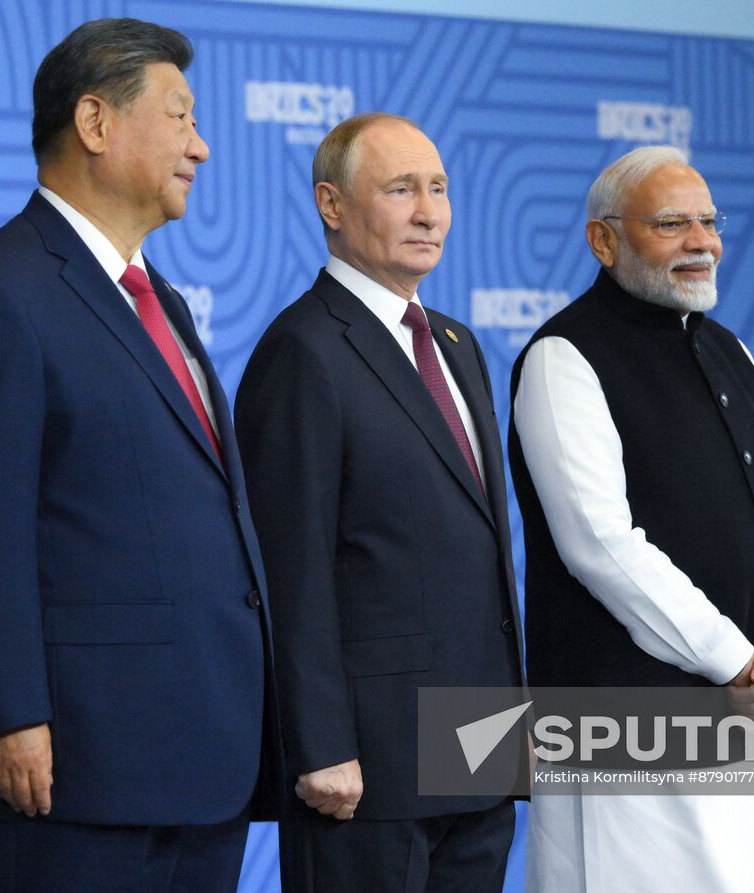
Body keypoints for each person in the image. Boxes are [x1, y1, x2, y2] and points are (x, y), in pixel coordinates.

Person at [0, 18, 278, 893]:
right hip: (81, 768)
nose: (200, 146)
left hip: (202, 760)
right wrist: (12, 712)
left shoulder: (159, 297)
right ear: (95, 123)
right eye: (180, 117)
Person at [509, 145, 754, 892]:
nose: (701, 241)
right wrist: (738, 662)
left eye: (709, 221)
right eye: (671, 223)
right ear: (604, 240)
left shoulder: (730, 349)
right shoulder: (564, 357)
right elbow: (602, 546)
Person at [236, 112, 525, 893]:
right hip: (368, 766)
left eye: (438, 188)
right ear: (331, 204)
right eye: (401, 189)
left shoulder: (458, 346)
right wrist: (320, 741)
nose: (430, 212)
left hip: (481, 747)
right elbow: (290, 570)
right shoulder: (301, 350)